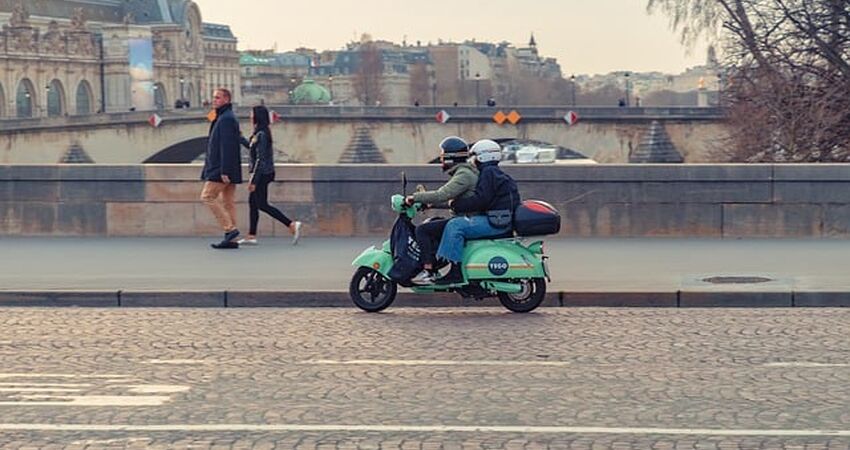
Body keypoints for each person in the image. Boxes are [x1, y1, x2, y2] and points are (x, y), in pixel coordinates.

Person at [435, 139, 520, 284]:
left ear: (482, 156)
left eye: (473, 156)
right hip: (500, 219)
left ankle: (455, 271)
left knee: (456, 225)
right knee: (458, 223)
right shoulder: (494, 173)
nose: (471, 160)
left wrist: (457, 205)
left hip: (496, 222)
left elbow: (481, 200)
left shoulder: (488, 173)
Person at [405, 136, 479, 284]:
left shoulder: (463, 175)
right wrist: (431, 205)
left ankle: (429, 271)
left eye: (443, 155)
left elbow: (442, 194)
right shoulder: (465, 172)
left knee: (423, 230)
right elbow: (455, 201)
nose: (441, 159)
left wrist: (414, 198)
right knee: (433, 223)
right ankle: (436, 265)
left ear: (451, 157)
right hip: (465, 216)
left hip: (465, 219)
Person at [237, 105, 303, 246]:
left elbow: (260, 158)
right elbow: (251, 147)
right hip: (264, 173)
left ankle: (291, 224)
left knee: (262, 204)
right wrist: (240, 137)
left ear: (257, 116)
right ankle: (251, 235)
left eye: (251, 114)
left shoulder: (262, 134)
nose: (250, 116)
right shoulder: (260, 133)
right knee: (253, 203)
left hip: (262, 174)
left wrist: (253, 180)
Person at [200, 88, 243, 249]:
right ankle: (232, 240)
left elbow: (227, 146)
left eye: (217, 98)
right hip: (228, 167)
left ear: (227, 99)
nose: (214, 100)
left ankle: (230, 229)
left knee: (207, 196)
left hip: (220, 168)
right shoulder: (225, 117)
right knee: (228, 202)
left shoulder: (225, 119)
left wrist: (224, 170)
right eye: (214, 97)